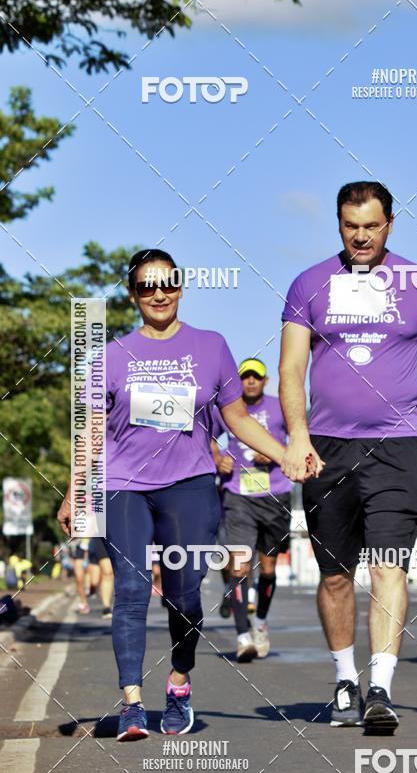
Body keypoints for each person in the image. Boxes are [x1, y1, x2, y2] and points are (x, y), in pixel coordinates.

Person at [57, 248, 306, 742]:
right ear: (132, 294)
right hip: (123, 485)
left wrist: (285, 454)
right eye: (146, 286)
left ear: (181, 286)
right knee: (129, 592)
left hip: (190, 487)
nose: (158, 293)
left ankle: (178, 680)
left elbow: (235, 420)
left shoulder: (211, 347)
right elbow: (91, 431)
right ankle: (131, 702)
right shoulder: (110, 356)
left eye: (166, 282)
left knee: (185, 596)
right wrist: (73, 491)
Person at [279, 181, 417, 731]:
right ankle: (345, 679)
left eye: (370, 225)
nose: (360, 236)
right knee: (337, 574)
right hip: (329, 448)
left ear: (390, 223)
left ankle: (380, 688)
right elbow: (292, 366)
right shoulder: (309, 283)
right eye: (349, 225)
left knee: (390, 566)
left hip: (397, 446)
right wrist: (298, 435)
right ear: (338, 224)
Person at [212, 358, 292, 662]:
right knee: (239, 567)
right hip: (238, 495)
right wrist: (218, 457)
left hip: (275, 495)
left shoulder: (280, 406)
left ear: (265, 381)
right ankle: (243, 636)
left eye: (255, 377)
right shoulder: (229, 408)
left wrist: (275, 451)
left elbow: (299, 436)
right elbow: (207, 435)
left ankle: (260, 623)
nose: (250, 382)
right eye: (244, 377)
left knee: (268, 568)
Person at [87, 538, 115, 619]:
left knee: (108, 573)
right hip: (97, 538)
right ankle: (96, 588)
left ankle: (106, 607)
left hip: (111, 537)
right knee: (94, 582)